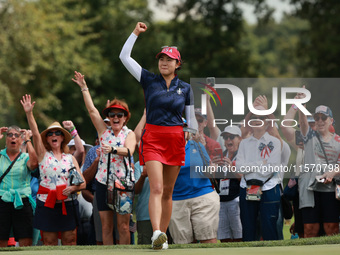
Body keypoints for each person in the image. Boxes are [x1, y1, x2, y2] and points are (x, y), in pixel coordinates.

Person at [119, 22, 198, 249]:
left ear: (177, 64)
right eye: (161, 59)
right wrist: (135, 32)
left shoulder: (185, 88)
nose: (164, 62)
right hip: (153, 137)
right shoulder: (148, 80)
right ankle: (156, 233)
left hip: (175, 139)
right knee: (156, 187)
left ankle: (162, 237)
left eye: (169, 59)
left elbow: (190, 120)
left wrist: (190, 134)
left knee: (168, 192)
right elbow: (124, 57)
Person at [72, 71, 136, 245]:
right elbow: (92, 111)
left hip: (123, 182)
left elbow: (130, 150)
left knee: (123, 227)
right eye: (112, 114)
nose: (115, 117)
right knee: (106, 227)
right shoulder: (103, 132)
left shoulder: (129, 133)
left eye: (119, 115)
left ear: (125, 117)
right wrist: (84, 88)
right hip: (102, 182)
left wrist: (113, 149)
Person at [20, 95, 86, 246]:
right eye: (50, 134)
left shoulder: (70, 158)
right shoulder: (43, 155)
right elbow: (36, 134)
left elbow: (83, 183)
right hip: (47, 203)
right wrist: (29, 113)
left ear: (63, 137)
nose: (54, 135)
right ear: (47, 139)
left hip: (67, 203)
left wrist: (73, 188)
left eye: (57, 133)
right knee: (49, 241)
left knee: (70, 240)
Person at [169, 120, 220, 244]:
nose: (182, 131)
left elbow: (208, 170)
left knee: (208, 239)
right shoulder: (166, 150)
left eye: (184, 127)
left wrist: (211, 169)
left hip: (203, 196)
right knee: (183, 244)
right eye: (177, 128)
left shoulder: (197, 146)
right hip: (177, 200)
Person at [236, 106, 282, 241]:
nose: (257, 120)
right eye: (254, 117)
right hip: (247, 187)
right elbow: (239, 168)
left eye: (261, 117)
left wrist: (251, 166)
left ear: (267, 122)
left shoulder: (274, 142)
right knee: (248, 229)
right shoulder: (244, 143)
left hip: (269, 188)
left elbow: (272, 168)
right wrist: (260, 163)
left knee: (269, 228)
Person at [298, 104, 340, 237]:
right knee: (310, 228)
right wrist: (301, 106)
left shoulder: (338, 141)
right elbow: (303, 123)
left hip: (329, 187)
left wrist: (333, 173)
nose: (320, 121)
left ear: (331, 120)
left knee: (331, 227)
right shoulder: (309, 136)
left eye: (324, 117)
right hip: (310, 188)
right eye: (317, 118)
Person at [0, 126, 38, 247]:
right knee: (1, 239)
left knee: (26, 239)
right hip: (2, 199)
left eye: (16, 135)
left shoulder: (25, 157)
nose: (13, 137)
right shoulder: (0, 156)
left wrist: (28, 140)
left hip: (22, 199)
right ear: (6, 139)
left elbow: (34, 164)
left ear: (20, 140)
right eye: (10, 135)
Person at [212, 126, 243, 242]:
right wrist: (213, 171)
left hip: (236, 199)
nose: (228, 140)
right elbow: (216, 182)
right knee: (224, 237)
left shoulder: (242, 156)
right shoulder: (221, 156)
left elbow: (244, 180)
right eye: (225, 138)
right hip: (222, 201)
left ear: (239, 139)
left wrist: (232, 169)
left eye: (231, 137)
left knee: (239, 236)